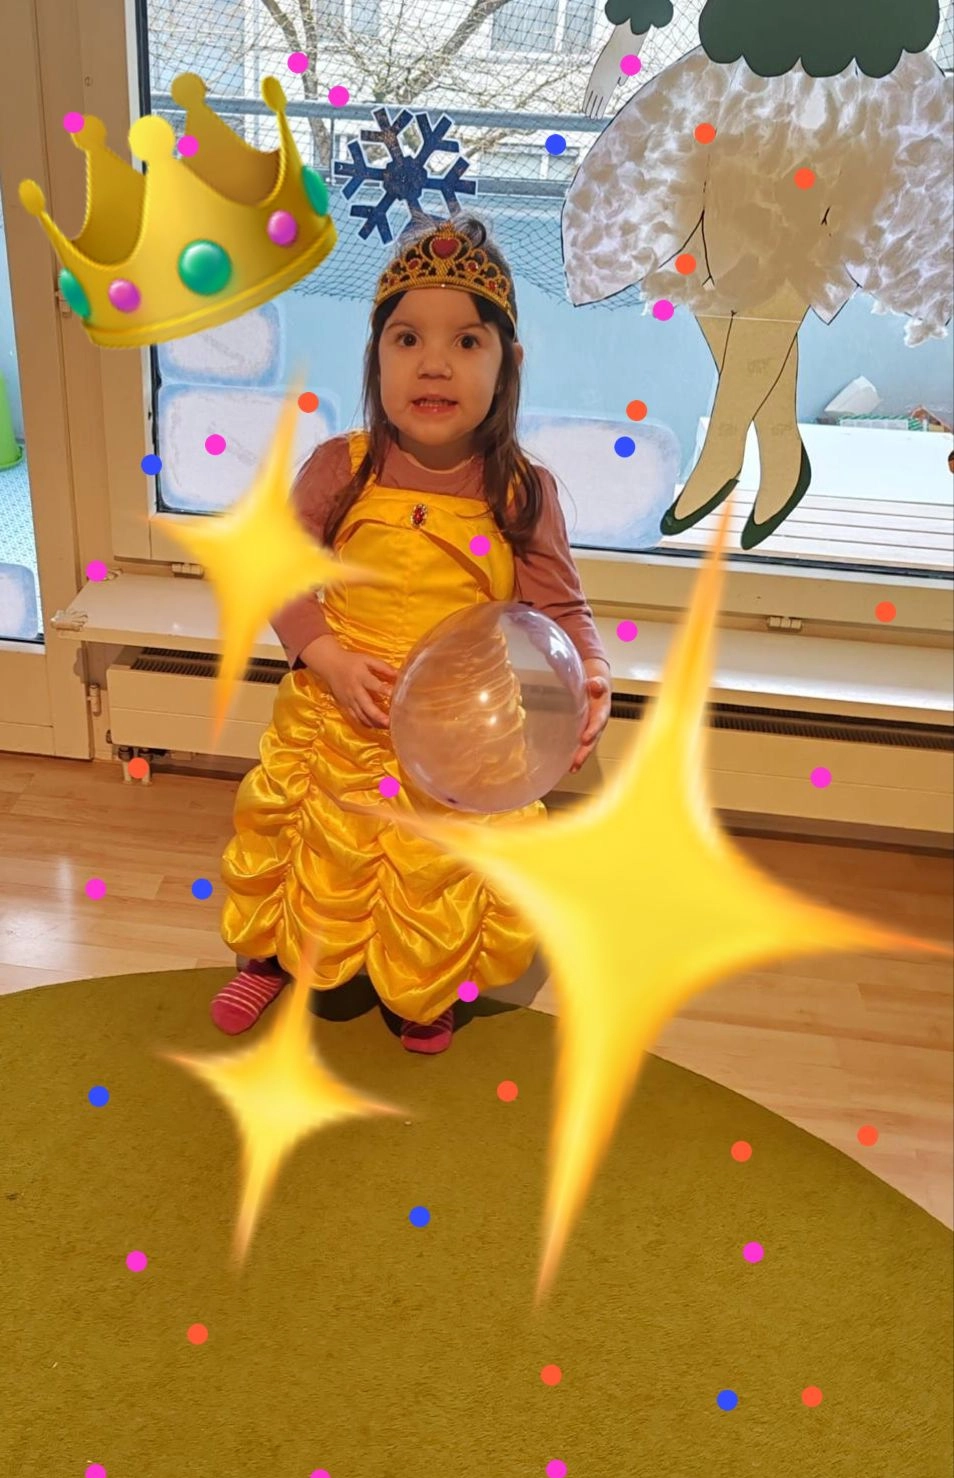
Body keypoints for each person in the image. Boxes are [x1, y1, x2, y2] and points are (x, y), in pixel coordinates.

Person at [210, 216, 612, 1054]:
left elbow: (562, 611)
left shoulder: (522, 491)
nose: (434, 363)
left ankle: (423, 979)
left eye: (466, 341)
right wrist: (326, 655)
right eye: (407, 339)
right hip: (340, 714)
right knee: (308, 843)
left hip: (457, 737)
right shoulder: (340, 468)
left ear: (507, 366)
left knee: (434, 870)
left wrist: (592, 673)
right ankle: (270, 955)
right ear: (377, 359)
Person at [564, 0, 952, 547]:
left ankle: (724, 450)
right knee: (704, 265)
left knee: (789, 259)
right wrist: (628, 33)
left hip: (852, 66)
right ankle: (781, 451)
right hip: (749, 54)